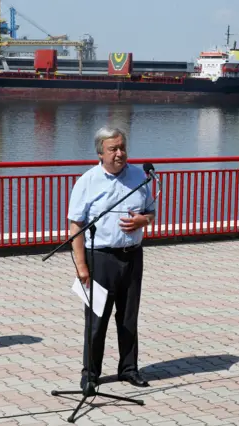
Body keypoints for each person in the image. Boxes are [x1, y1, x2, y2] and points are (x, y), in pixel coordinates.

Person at [67, 126, 155, 389]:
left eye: (122, 148)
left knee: (128, 318)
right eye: (113, 149)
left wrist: (144, 220)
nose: (119, 153)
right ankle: (90, 374)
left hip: (132, 257)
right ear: (100, 153)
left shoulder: (139, 176)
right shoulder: (87, 181)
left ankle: (128, 369)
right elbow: (75, 225)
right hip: (100, 259)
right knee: (97, 321)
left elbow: (151, 212)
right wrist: (82, 265)